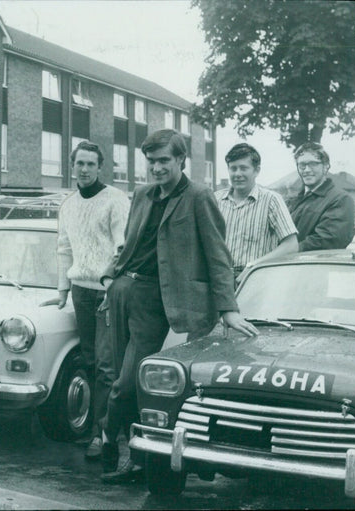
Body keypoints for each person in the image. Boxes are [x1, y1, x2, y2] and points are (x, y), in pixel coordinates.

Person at [98, 129, 259, 483]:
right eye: (151, 161)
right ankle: (130, 454)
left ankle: (125, 447)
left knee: (146, 386)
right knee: (121, 380)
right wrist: (110, 277)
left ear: (180, 161)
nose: (156, 168)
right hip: (134, 296)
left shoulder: (199, 196)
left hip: (176, 303)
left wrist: (228, 308)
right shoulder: (142, 194)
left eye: (164, 161)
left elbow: (218, 255)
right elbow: (130, 243)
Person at [40, 140, 130, 460]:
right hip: (80, 291)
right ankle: (99, 425)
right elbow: (64, 248)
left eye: (91, 164)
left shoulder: (116, 200)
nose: (85, 169)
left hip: (109, 290)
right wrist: (62, 290)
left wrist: (110, 286)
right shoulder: (68, 204)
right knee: (90, 361)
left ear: (100, 167)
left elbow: (123, 248)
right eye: (80, 163)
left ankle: (104, 434)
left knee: (107, 365)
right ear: (72, 165)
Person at [215, 143, 298, 279]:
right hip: (219, 280)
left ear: (256, 170)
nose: (237, 174)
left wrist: (254, 267)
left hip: (256, 279)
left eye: (243, 168)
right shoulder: (215, 200)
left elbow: (291, 245)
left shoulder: (271, 200)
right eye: (233, 168)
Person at [286, 142, 355, 251]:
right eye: (302, 165)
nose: (307, 170)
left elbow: (329, 240)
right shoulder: (293, 200)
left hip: (316, 266)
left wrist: (284, 251)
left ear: (326, 166)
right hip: (285, 264)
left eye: (313, 164)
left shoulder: (341, 199)